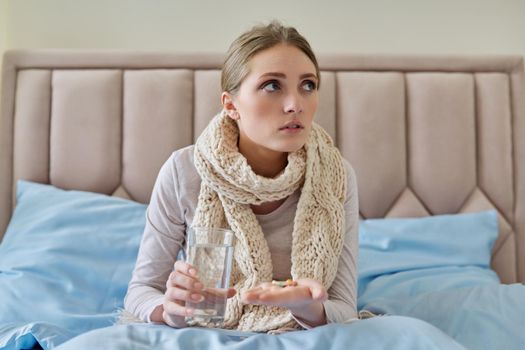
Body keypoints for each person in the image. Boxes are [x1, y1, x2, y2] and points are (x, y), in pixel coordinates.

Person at [124, 20, 359, 333]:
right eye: (272, 85)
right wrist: (171, 310)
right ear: (231, 105)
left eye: (308, 85)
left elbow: (344, 306)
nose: (295, 105)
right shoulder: (184, 172)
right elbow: (140, 292)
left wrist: (308, 308)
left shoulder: (337, 177)